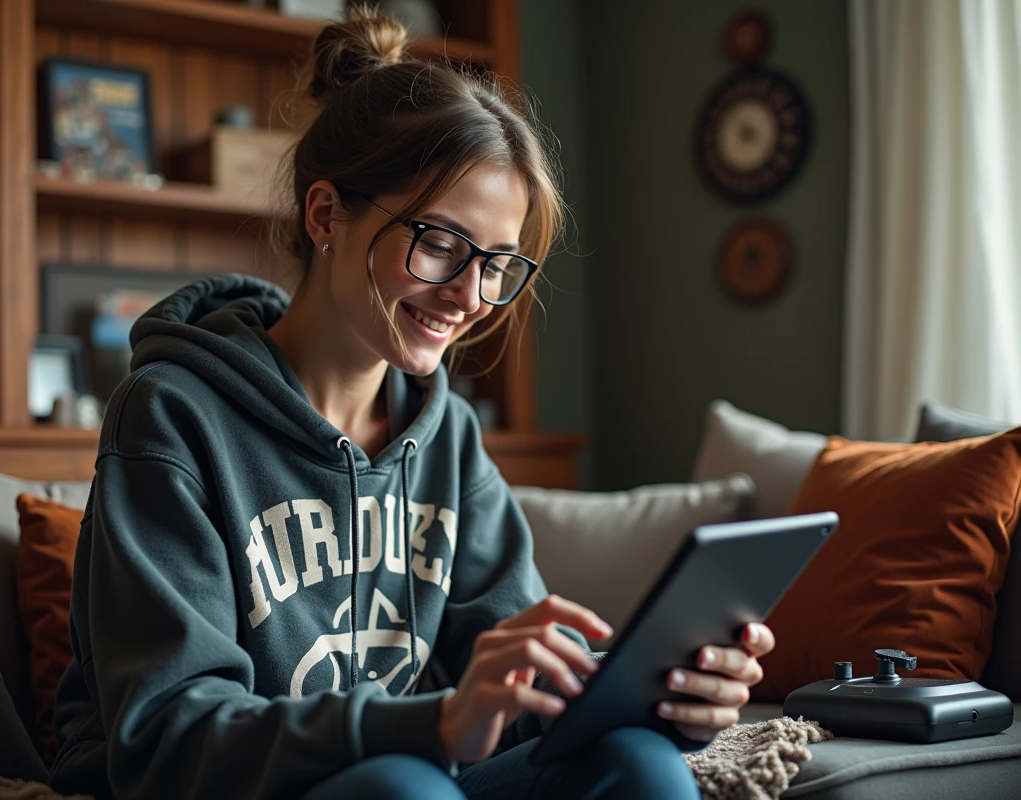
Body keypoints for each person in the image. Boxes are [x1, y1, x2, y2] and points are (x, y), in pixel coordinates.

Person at [49, 7, 775, 799]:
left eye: (496, 264)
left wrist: (666, 695)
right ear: (325, 216)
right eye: (440, 245)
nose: (471, 296)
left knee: (638, 761)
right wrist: (427, 725)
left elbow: (520, 690)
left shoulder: (446, 435)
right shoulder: (172, 417)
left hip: (408, 774)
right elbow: (165, 739)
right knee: (406, 788)